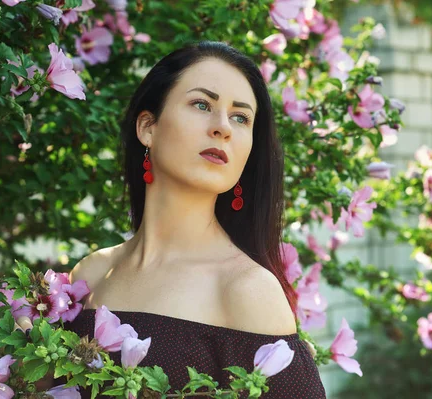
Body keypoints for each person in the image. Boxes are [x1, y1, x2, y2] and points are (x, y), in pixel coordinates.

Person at [18, 41, 326, 398]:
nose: (223, 127)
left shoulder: (246, 290)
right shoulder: (91, 274)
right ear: (148, 127)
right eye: (201, 104)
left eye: (241, 117)